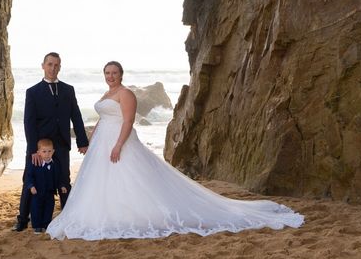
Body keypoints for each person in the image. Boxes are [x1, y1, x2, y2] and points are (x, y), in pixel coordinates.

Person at [46, 61, 304, 240]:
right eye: (107, 73)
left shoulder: (126, 94)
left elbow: (127, 121)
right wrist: (93, 137)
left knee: (131, 178)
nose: (110, 76)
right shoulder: (107, 92)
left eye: (114, 73)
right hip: (101, 142)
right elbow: (103, 118)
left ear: (121, 75)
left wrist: (118, 144)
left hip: (118, 141)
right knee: (99, 181)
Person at [12, 52, 89, 232]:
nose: (53, 68)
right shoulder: (33, 92)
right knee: (30, 181)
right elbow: (28, 122)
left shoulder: (68, 90)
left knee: (63, 180)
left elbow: (76, 117)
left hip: (61, 145)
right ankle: (23, 220)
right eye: (50, 64)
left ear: (60, 67)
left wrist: (82, 141)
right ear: (43, 66)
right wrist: (33, 150)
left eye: (56, 65)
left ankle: (67, 218)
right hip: (40, 147)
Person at [26, 138, 67, 233]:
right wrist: (31, 186)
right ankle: (37, 226)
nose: (47, 154)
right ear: (38, 152)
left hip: (50, 192)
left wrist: (62, 186)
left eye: (49, 151)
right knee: (36, 209)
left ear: (53, 151)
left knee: (49, 208)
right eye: (44, 151)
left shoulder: (55, 164)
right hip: (37, 192)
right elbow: (29, 176)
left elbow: (58, 177)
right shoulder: (34, 164)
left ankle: (46, 224)